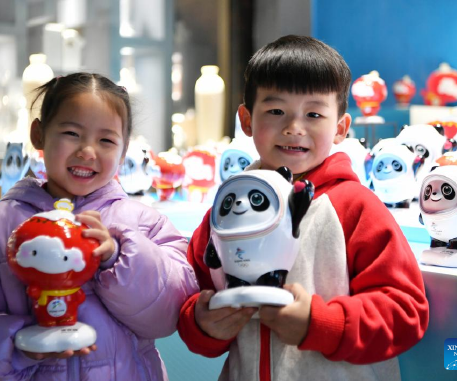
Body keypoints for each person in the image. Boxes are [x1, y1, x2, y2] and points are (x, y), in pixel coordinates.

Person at [178, 35, 429, 381]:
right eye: (276, 111)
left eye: (313, 114)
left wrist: (321, 324)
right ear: (247, 120)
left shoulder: (355, 208)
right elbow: (190, 297)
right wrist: (203, 323)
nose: (294, 128)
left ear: (340, 128)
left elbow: (405, 313)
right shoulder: (227, 206)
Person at [0, 72, 199, 380]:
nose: (87, 151)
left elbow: (170, 314)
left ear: (124, 150)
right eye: (72, 133)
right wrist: (18, 344)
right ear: (38, 134)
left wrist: (119, 256)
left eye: (106, 140)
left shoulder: (145, 224)